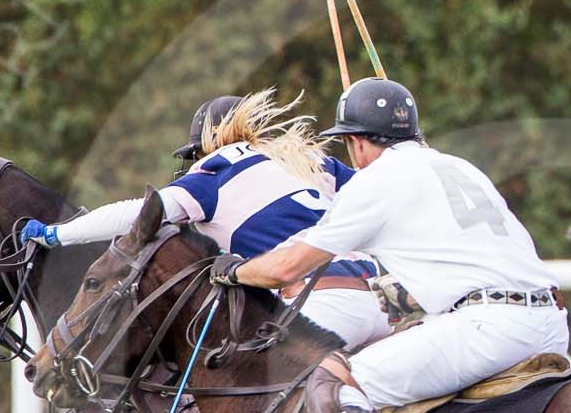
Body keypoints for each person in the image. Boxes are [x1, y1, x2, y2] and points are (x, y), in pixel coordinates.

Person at [214, 77, 570, 413]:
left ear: (357, 142)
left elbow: (286, 268)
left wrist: (229, 272)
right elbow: (459, 264)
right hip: (549, 324)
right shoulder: (458, 167)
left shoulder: (375, 182)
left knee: (333, 384)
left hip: (489, 329)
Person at [20, 90, 389, 351]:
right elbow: (382, 196)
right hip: (384, 301)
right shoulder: (312, 161)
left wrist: (56, 234)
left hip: (317, 306)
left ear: (208, 144)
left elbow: (133, 213)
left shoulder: (212, 176)